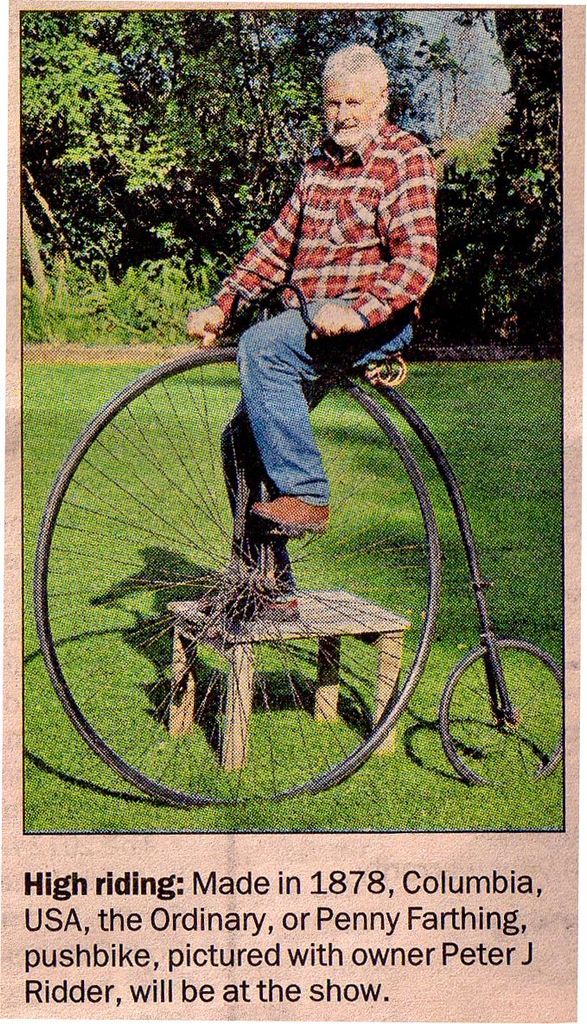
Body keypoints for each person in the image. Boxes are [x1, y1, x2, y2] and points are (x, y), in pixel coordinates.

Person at [187, 43, 437, 614]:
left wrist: (360, 311)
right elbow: (277, 246)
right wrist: (223, 304)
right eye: (332, 103)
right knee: (241, 440)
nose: (342, 114)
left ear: (381, 100)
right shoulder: (317, 166)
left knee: (262, 347)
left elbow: (417, 260)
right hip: (309, 320)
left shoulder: (404, 159)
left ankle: (306, 491)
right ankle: (269, 585)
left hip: (371, 321)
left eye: (354, 102)